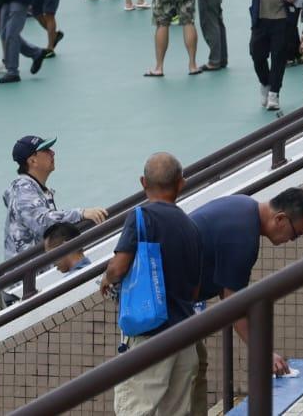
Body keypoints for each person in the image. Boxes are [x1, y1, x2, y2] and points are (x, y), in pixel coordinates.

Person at [101, 153, 204, 416]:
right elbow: (195, 289)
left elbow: (119, 266)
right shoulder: (190, 226)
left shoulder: (141, 217)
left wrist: (106, 278)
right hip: (183, 332)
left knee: (134, 408)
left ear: (143, 182)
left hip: (150, 334)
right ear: (181, 183)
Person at [188, 190, 303, 378]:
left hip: (176, 302)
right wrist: (264, 353)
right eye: (295, 234)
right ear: (280, 219)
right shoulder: (244, 236)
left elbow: (229, 295)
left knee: (195, 366)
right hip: (161, 304)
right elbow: (234, 306)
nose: (291, 240)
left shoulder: (243, 206)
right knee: (176, 377)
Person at [2, 135, 107, 275]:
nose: (52, 152)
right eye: (45, 150)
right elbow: (43, 221)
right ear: (32, 160)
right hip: (25, 283)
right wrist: (81, 213)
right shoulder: (22, 189)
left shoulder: (35, 189)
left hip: (37, 275)